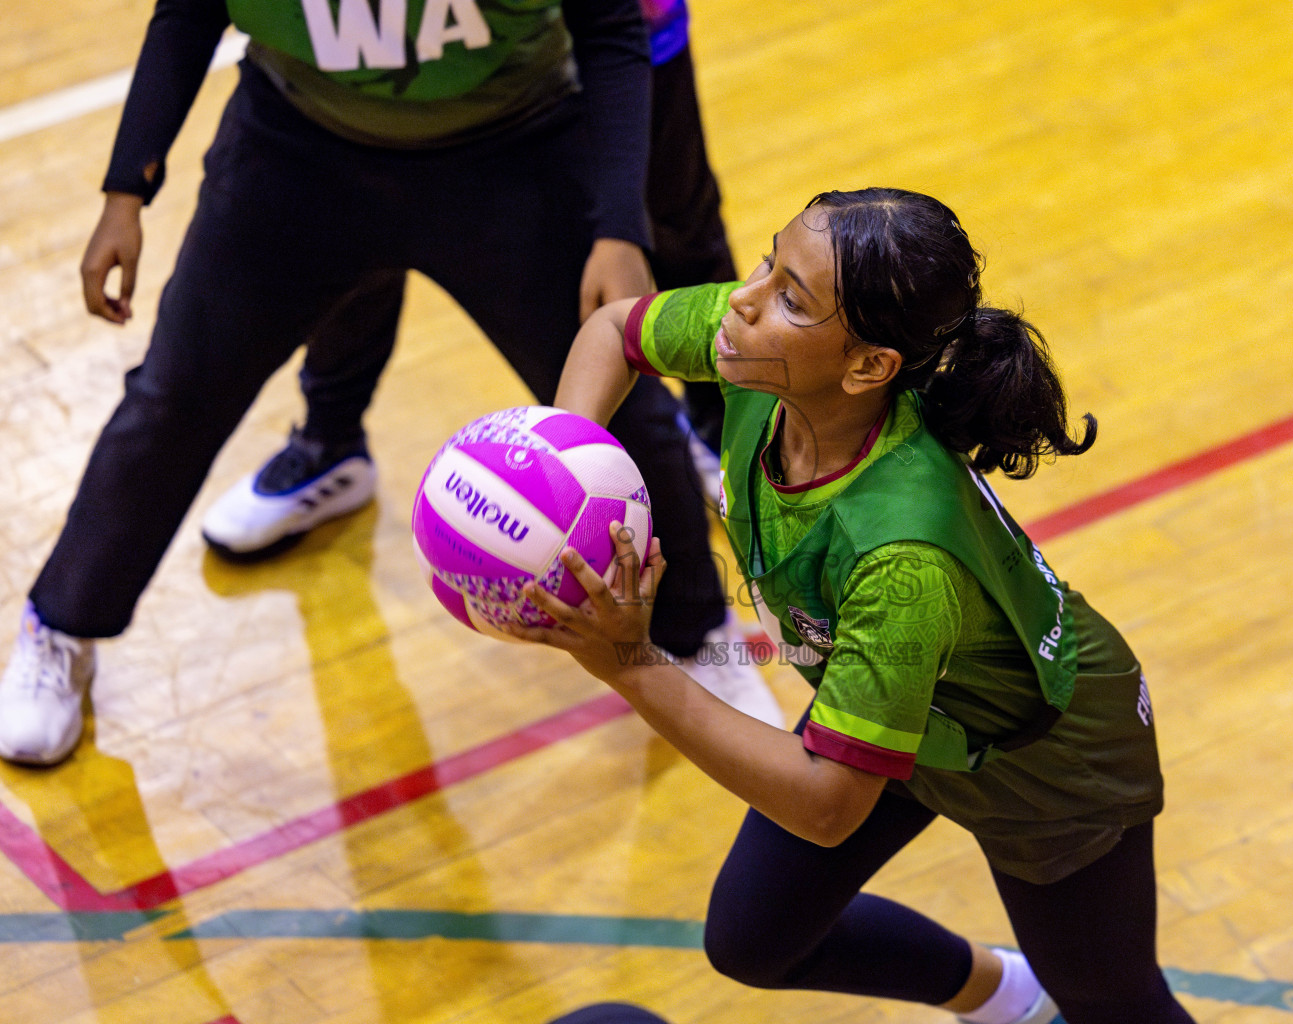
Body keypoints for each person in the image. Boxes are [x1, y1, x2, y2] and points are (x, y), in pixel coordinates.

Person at [0, 0, 768, 766]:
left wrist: (618, 229)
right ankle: (61, 623)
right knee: (175, 394)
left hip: (514, 149)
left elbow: (608, 27)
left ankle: (695, 633)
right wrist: (123, 193)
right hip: (298, 150)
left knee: (621, 418)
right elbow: (189, 13)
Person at [499, 188, 1198, 1023]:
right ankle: (1009, 999)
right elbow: (614, 329)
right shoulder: (764, 349)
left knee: (1108, 996)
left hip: (1044, 760)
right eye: (768, 261)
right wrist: (560, 481)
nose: (747, 296)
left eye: (790, 296)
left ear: (869, 366)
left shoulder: (902, 560)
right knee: (756, 940)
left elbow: (829, 806)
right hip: (893, 702)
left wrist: (630, 664)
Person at [196, 0, 737, 573]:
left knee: (674, 229)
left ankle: (721, 446)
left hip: (619, 46)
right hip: (397, 63)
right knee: (357, 235)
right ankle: (327, 443)